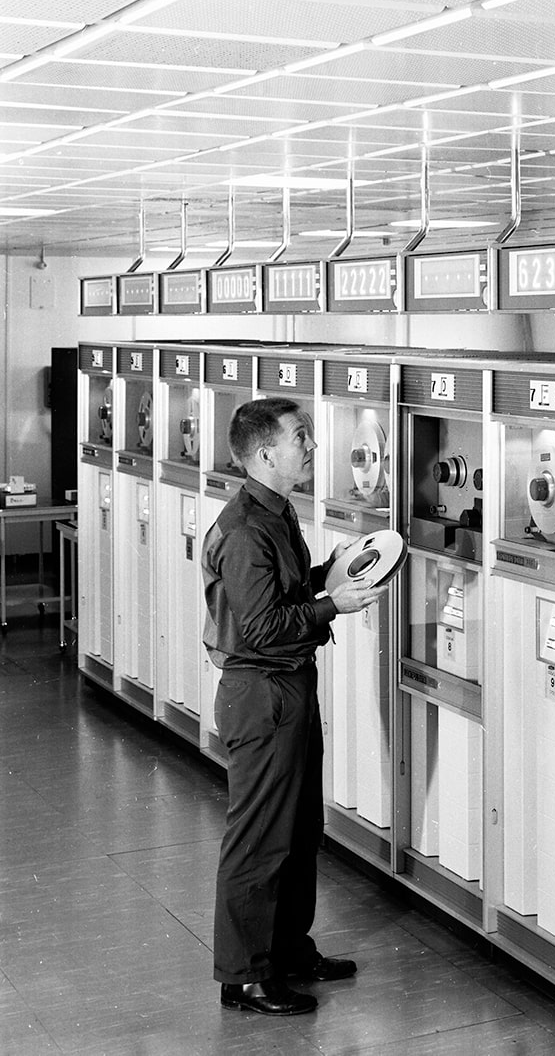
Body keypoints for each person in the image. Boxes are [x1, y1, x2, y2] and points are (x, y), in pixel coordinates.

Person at [202, 398, 386, 1015]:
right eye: (299, 438)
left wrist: (330, 570)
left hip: (288, 687)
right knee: (259, 838)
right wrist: (335, 605)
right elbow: (260, 627)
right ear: (263, 455)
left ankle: (288, 950)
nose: (311, 447)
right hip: (263, 693)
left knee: (300, 828)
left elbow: (283, 591)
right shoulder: (247, 529)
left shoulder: (275, 513)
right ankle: (246, 974)